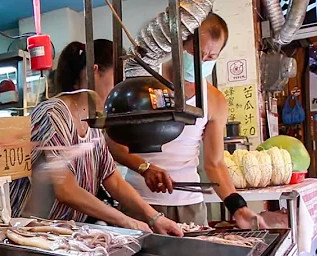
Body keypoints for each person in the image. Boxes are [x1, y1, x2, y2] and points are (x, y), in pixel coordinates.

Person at [107, 13, 266, 228]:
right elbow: (114, 144)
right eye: (197, 53)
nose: (203, 62)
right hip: (139, 202)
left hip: (190, 206)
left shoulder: (215, 100)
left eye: (211, 57)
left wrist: (238, 206)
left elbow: (215, 163)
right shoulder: (143, 84)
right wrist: (145, 168)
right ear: (179, 45)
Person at [10, 40, 182, 236]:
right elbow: (65, 189)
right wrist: (127, 222)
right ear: (93, 71)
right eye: (118, 76)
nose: (121, 85)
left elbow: (112, 179)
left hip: (64, 233)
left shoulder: (92, 121)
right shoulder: (53, 114)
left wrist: (154, 218)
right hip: (32, 233)